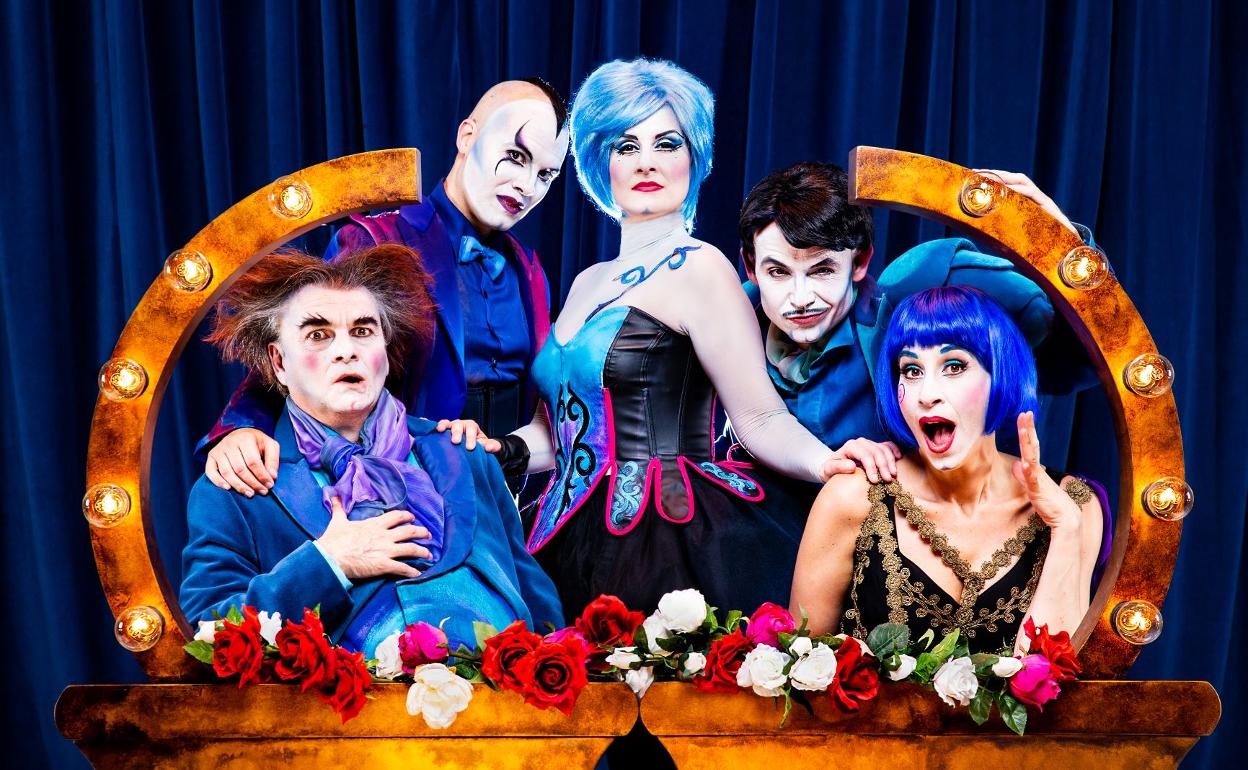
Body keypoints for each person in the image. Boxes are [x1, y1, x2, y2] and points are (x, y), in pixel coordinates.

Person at [450, 59, 871, 620]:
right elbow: (566, 433)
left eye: (666, 143)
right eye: (626, 146)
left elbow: (760, 417)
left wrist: (828, 464)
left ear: (694, 158)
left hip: (672, 534)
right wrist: (501, 449)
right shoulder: (585, 282)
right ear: (600, 162)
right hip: (561, 533)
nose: (645, 161)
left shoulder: (702, 268)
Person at [180, 245, 562, 658]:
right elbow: (209, 632)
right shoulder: (237, 483)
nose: (347, 350)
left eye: (363, 331)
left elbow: (540, 609)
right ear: (279, 363)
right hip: (347, 698)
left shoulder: (465, 454)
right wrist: (330, 563)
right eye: (318, 335)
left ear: (385, 350)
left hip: (503, 692)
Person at [198, 78, 570, 497]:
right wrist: (240, 428)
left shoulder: (529, 268)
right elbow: (302, 345)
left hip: (503, 502)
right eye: (515, 157)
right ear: (468, 136)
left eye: (546, 174)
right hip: (399, 495)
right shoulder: (379, 239)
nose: (527, 186)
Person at [735, 161, 1098, 485]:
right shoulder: (730, 317)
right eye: (778, 272)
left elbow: (1076, 361)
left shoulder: (912, 314)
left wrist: (1066, 250)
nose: (800, 298)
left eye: (822, 270)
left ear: (859, 262)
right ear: (751, 267)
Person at [789, 286, 1107, 653]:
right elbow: (798, 668)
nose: (927, 394)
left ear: (1001, 372)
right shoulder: (852, 497)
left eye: (954, 366)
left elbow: (1053, 676)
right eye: (911, 370)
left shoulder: (1075, 506)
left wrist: (1066, 529)